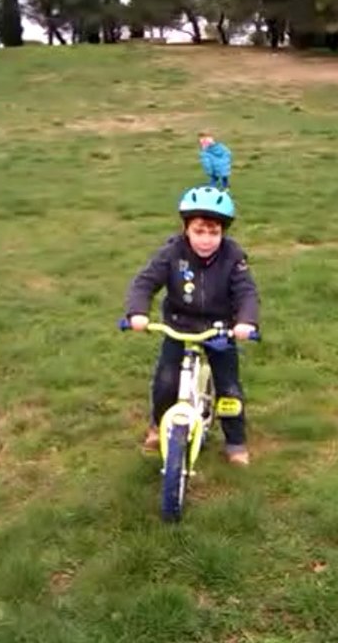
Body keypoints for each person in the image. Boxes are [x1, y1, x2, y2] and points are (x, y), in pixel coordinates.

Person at [124, 186, 260, 466]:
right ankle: (157, 426)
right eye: (199, 231)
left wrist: (246, 321)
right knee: (165, 382)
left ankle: (235, 441)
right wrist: (137, 312)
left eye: (214, 232)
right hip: (179, 325)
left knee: (229, 388)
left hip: (220, 329)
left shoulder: (233, 256)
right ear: (186, 228)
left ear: (223, 232)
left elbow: (246, 291)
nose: (206, 240)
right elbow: (145, 282)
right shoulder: (172, 252)